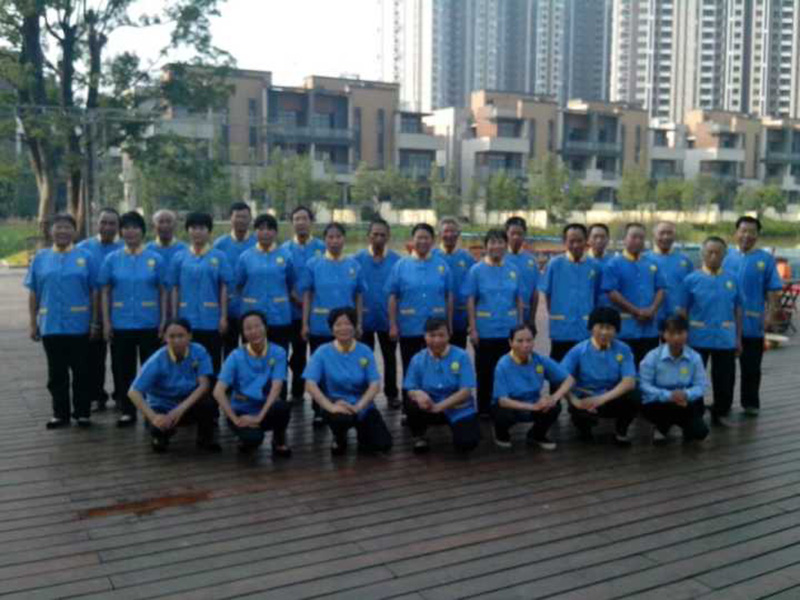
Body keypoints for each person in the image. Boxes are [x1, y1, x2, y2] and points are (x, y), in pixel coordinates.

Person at [25, 214, 97, 429]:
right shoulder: (40, 258)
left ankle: (82, 413)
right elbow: (34, 292)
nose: (63, 231)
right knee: (56, 373)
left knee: (82, 371)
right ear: (51, 231)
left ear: (74, 231)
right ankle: (60, 414)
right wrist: (32, 322)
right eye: (58, 227)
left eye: (67, 227)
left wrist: (95, 322)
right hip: (51, 324)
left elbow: (94, 291)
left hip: (79, 325)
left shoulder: (86, 256)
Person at [98, 211, 167, 427]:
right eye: (126, 228)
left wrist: (164, 321)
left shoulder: (156, 259)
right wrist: (106, 322)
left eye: (135, 227)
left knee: (151, 369)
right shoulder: (112, 259)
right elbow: (105, 291)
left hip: (150, 323)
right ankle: (128, 410)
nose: (130, 232)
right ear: (121, 232)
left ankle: (151, 411)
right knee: (123, 369)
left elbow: (163, 292)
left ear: (143, 231)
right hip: (121, 323)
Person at [304, 307, 393, 456]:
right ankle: (339, 437)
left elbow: (375, 384)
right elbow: (310, 384)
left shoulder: (365, 350)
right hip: (336, 405)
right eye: (338, 324)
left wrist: (358, 406)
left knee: (383, 444)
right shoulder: (322, 352)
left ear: (355, 326)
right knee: (340, 419)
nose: (343, 328)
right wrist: (331, 407)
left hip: (363, 405)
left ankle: (362, 433)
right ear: (332, 329)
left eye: (348, 323)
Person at [128, 318, 220, 453]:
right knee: (159, 435)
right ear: (165, 337)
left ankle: (205, 439)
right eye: (171, 336)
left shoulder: (199, 351)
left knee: (208, 402)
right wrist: (154, 417)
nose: (176, 340)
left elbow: (204, 385)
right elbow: (133, 392)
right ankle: (160, 436)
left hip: (187, 404)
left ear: (190, 336)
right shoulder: (157, 360)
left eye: (181, 336)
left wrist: (179, 410)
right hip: (162, 406)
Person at [678, 236, 743, 427]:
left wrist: (738, 338)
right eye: (710, 252)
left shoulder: (732, 279)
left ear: (725, 255)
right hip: (697, 337)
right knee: (695, 377)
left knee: (725, 378)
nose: (714, 256)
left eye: (718, 253)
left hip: (725, 337)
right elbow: (682, 310)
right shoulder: (691, 280)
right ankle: (695, 413)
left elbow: (738, 309)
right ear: (702, 254)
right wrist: (682, 337)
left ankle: (721, 412)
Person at [722, 216, 783, 416]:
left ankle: (750, 404)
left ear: (757, 235)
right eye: (743, 231)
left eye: (752, 232)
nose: (747, 235)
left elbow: (773, 290)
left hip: (753, 322)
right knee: (725, 369)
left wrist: (770, 316)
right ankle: (723, 404)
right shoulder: (725, 256)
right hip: (726, 322)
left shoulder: (765, 260)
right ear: (736, 233)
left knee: (751, 366)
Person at [387, 222, 453, 403]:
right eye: (419, 238)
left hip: (437, 330)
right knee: (410, 366)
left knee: (437, 366)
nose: (423, 241)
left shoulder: (442, 266)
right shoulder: (401, 266)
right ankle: (410, 406)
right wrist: (393, 325)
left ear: (433, 240)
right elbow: (392, 296)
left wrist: (449, 324)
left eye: (426, 238)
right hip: (410, 327)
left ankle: (437, 402)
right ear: (412, 240)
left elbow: (449, 296)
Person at [213, 311, 292, 457]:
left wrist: (259, 417)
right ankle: (244, 438)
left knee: (282, 407)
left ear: (265, 327)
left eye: (258, 326)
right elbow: (218, 391)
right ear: (243, 333)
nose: (254, 331)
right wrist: (235, 419)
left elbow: (277, 387)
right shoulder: (236, 356)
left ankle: (278, 439)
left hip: (265, 409)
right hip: (242, 411)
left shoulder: (278, 352)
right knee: (253, 440)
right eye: (248, 328)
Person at [464, 229, 522, 416]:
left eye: (500, 242)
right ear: (486, 245)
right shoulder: (476, 270)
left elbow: (519, 300)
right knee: (485, 371)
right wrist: (473, 329)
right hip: (485, 331)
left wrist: (520, 328)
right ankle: (484, 408)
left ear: (506, 245)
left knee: (508, 370)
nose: (496, 246)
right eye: (492, 242)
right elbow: (471, 301)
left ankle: (505, 406)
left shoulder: (513, 270)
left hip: (508, 330)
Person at [562, 307, 640, 445]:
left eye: (609, 328)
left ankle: (621, 432)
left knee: (635, 396)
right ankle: (584, 430)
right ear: (592, 327)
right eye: (600, 327)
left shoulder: (623, 349)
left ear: (616, 330)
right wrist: (575, 401)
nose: (604, 332)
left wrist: (600, 399)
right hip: (586, 396)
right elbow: (560, 378)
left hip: (610, 396)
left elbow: (629, 382)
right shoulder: (578, 350)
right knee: (580, 414)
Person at [403, 318, 481, 454]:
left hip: (457, 408)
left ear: (449, 335)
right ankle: (419, 435)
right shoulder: (417, 359)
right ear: (425, 336)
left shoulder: (461, 356)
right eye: (432, 335)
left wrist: (440, 406)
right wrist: (417, 393)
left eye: (441, 335)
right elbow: (410, 387)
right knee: (411, 403)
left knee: (467, 443)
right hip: (429, 406)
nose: (437, 340)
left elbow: (466, 391)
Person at [168, 212, 232, 375]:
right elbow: (175, 288)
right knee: (186, 362)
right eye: (193, 228)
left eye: (202, 228)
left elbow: (224, 287)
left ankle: (211, 390)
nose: (197, 232)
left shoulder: (219, 257)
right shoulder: (179, 257)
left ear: (209, 231)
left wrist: (223, 317)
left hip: (211, 319)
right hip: (186, 318)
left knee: (212, 361)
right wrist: (174, 318)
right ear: (187, 231)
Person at [492, 324, 575, 450]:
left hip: (534, 403)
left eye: (529, 340)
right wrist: (533, 407)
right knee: (502, 413)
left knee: (554, 408)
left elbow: (569, 379)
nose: (525, 345)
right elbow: (503, 401)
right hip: (511, 406)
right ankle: (501, 435)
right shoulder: (503, 365)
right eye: (520, 341)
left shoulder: (539, 360)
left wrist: (553, 398)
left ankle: (536, 435)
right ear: (510, 342)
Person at [602, 222, 666, 367]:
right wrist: (636, 311)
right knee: (624, 369)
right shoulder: (613, 264)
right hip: (625, 329)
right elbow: (611, 292)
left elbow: (661, 289)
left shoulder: (653, 263)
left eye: (641, 238)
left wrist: (652, 309)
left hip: (649, 329)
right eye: (634, 237)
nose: (638, 241)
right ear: (625, 239)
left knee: (648, 369)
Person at [78, 207, 122, 411]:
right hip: (91, 314)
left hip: (120, 313)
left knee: (121, 358)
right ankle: (96, 395)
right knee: (93, 358)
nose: (107, 227)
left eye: (112, 223)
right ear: (97, 223)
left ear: (118, 226)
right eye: (103, 222)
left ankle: (122, 395)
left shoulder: (124, 248)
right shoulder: (83, 248)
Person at [354, 219, 402, 409]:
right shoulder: (357, 259)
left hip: (388, 319)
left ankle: (392, 394)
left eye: (383, 234)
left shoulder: (397, 261)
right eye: (375, 234)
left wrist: (395, 321)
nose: (379, 238)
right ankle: (366, 395)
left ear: (388, 236)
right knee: (364, 359)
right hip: (363, 319)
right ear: (369, 236)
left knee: (390, 359)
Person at [640, 315, 710, 444]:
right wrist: (669, 395)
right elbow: (644, 385)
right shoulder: (652, 357)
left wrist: (686, 394)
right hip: (659, 402)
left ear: (687, 333)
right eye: (672, 333)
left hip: (685, 402)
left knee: (701, 433)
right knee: (657, 407)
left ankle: (683, 425)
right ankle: (661, 427)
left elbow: (702, 385)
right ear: (663, 334)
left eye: (680, 333)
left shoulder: (695, 357)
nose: (677, 337)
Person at [281, 205, 326, 402]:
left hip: (317, 311)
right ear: (292, 223)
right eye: (297, 219)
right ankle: (297, 392)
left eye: (304, 218)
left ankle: (321, 396)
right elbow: (282, 280)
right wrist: (296, 299)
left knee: (318, 354)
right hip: (292, 311)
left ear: (311, 221)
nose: (300, 222)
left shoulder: (322, 248)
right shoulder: (284, 250)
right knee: (297, 354)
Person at [540, 223, 601, 362]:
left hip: (585, 329)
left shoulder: (595, 266)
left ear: (586, 241)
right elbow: (547, 293)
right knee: (559, 368)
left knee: (585, 368)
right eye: (571, 241)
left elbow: (596, 295)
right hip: (561, 329)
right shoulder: (554, 264)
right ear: (564, 241)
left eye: (579, 241)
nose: (576, 245)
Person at [235, 213, 295, 353]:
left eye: (270, 229)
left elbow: (291, 282)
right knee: (251, 355)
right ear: (255, 232)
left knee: (279, 353)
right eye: (261, 229)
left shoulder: (286, 255)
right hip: (252, 314)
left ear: (275, 232)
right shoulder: (245, 257)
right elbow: (238, 284)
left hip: (279, 316)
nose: (265, 232)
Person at [214, 202, 256, 357]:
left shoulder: (257, 242)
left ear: (250, 219)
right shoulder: (220, 244)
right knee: (228, 352)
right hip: (227, 309)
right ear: (230, 218)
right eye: (237, 216)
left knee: (252, 351)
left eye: (244, 217)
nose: (241, 220)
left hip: (252, 309)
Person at [433, 217, 476, 349]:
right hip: (436, 316)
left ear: (458, 234)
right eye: (446, 231)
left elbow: (473, 289)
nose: (449, 235)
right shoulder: (432, 256)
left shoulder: (467, 258)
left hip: (460, 317)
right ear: (439, 233)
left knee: (457, 353)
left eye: (453, 231)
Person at [644, 221, 693, 327]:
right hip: (651, 317)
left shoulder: (685, 261)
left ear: (674, 236)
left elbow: (691, 289)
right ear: (654, 235)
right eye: (662, 233)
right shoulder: (644, 259)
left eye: (669, 233)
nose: (665, 237)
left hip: (677, 318)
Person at [504, 216, 539, 327]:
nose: (516, 237)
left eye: (519, 234)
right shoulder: (500, 258)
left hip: (525, 316)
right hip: (503, 316)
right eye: (512, 233)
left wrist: (532, 319)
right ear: (506, 234)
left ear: (524, 235)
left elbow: (535, 293)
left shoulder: (531, 261)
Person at [588, 223, 613, 307]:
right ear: (588, 239)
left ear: (608, 239)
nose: (599, 240)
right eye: (595, 237)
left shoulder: (614, 263)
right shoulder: (581, 262)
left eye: (602, 237)